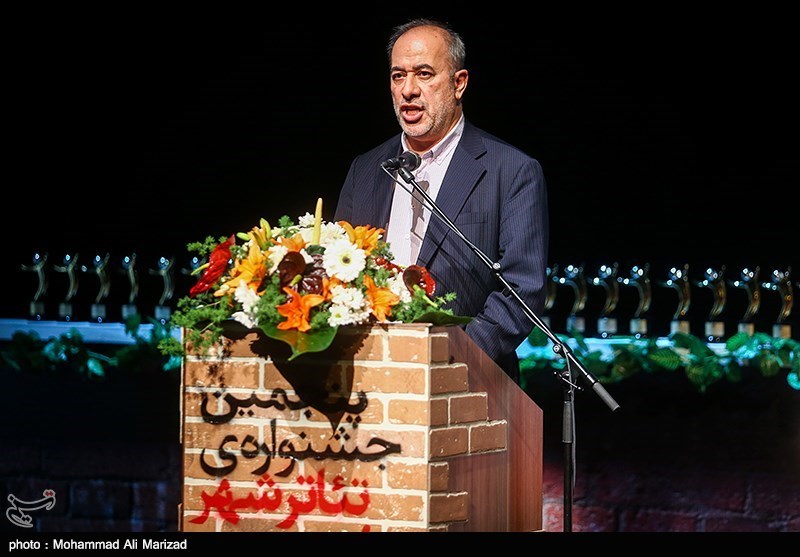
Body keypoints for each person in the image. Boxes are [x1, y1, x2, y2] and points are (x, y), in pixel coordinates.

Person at [334, 18, 549, 383]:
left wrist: (453, 359)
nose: (408, 90)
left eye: (424, 74)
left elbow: (522, 288)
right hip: (370, 376)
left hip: (466, 382)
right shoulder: (366, 169)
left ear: (458, 83)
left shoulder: (511, 170)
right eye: (398, 76)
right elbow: (339, 272)